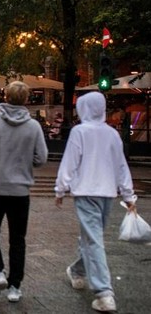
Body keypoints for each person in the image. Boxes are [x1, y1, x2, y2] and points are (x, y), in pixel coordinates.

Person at [54, 92, 136, 313]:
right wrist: (128, 195)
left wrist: (60, 189)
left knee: (92, 238)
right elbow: (121, 166)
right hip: (107, 193)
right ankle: (99, 287)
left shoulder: (79, 132)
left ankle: (95, 285)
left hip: (86, 192)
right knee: (94, 237)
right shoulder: (112, 134)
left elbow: (69, 162)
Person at [0, 81, 48, 303]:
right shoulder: (33, 126)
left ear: (5, 97)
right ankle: (15, 286)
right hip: (20, 191)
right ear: (26, 99)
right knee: (18, 238)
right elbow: (41, 158)